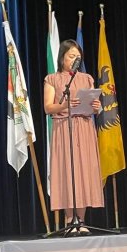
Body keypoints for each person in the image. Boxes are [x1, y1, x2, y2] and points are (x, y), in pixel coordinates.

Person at [44, 39, 104, 234]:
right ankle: (70, 219)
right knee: (68, 171)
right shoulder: (52, 79)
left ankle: (82, 220)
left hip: (85, 127)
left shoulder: (87, 78)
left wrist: (97, 107)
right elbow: (48, 107)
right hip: (64, 127)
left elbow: (96, 106)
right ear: (62, 58)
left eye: (78, 57)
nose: (75, 60)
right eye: (71, 56)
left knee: (83, 172)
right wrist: (65, 106)